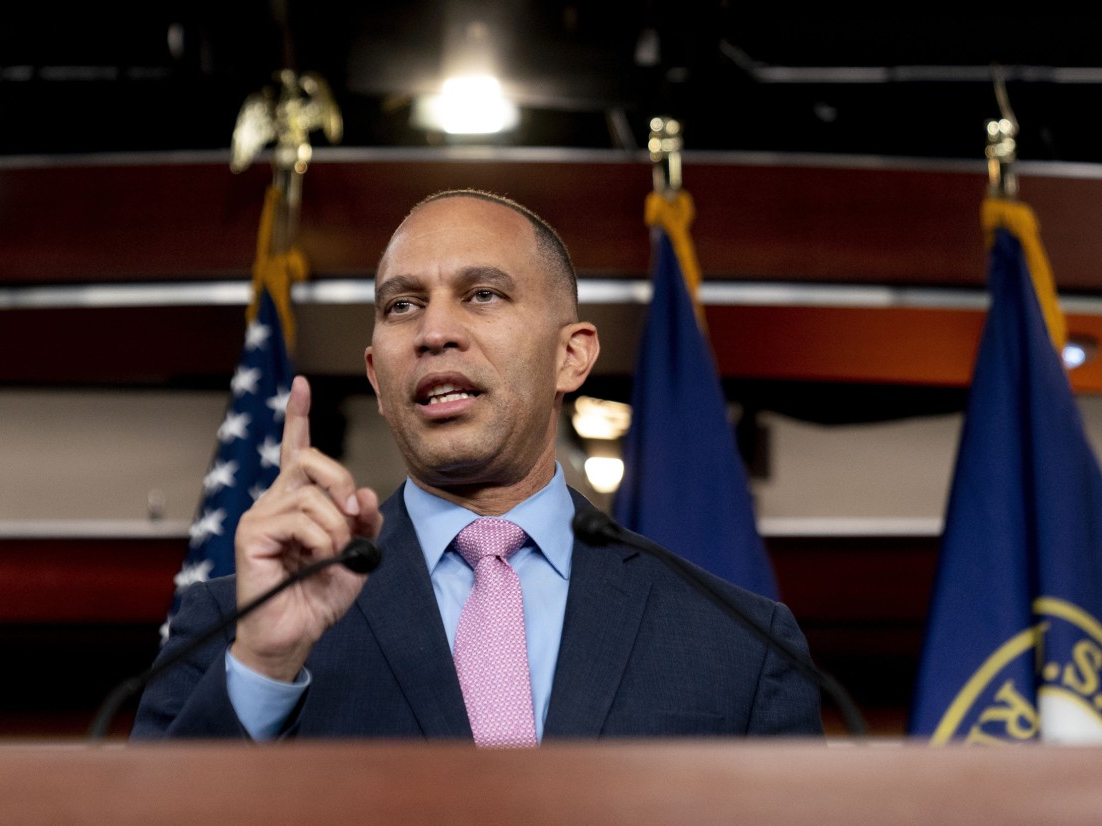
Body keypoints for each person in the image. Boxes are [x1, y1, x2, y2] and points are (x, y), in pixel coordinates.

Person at [132, 190, 823, 742]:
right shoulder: (236, 624)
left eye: (483, 294)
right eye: (403, 305)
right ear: (376, 375)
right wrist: (266, 669)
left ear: (572, 356)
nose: (434, 332)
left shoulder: (740, 643)